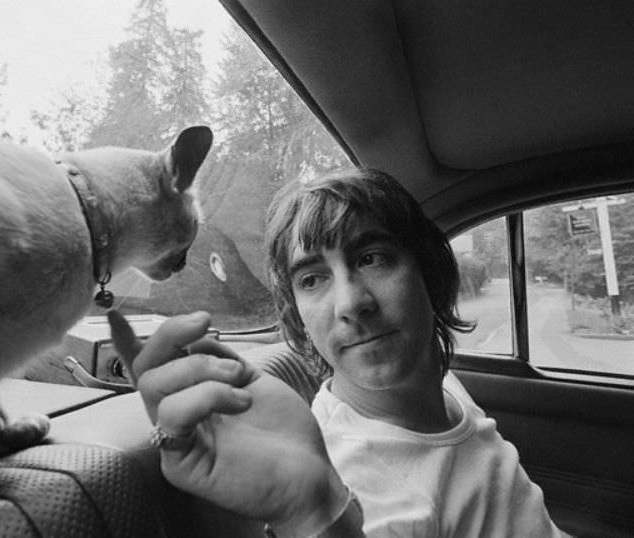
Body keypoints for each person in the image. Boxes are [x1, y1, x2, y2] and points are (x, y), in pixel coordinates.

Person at [109, 168, 567, 537]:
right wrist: (317, 516)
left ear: (427, 270)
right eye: (312, 279)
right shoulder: (365, 487)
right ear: (298, 314)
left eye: (372, 257)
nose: (352, 304)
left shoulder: (438, 383)